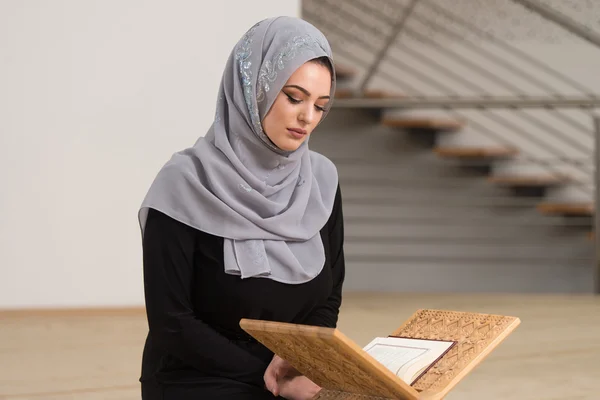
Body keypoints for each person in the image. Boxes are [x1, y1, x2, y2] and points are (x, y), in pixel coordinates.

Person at [137, 16, 345, 400]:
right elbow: (172, 323)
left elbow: (328, 297)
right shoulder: (184, 182)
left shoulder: (321, 182)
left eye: (321, 106)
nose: (308, 118)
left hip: (289, 379)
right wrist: (270, 377)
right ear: (253, 91)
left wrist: (305, 365)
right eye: (294, 97)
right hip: (198, 377)